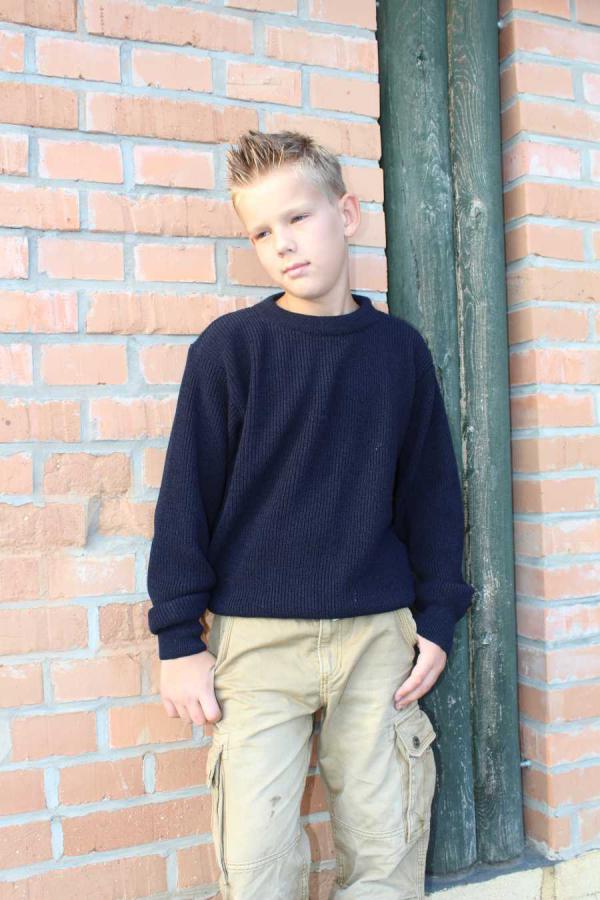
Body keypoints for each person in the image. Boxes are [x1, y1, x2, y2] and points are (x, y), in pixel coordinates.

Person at [146, 128, 475, 899]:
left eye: (297, 217)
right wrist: (177, 639)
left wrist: (438, 617)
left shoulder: (398, 352)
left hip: (377, 643)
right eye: (262, 232)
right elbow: (186, 497)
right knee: (257, 866)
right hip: (257, 647)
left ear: (346, 214)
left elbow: (431, 496)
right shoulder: (230, 350)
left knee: (387, 856)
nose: (283, 244)